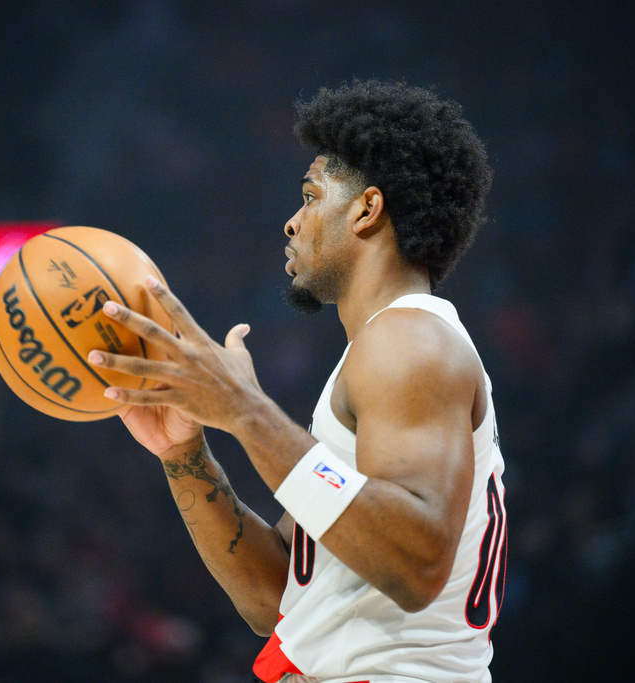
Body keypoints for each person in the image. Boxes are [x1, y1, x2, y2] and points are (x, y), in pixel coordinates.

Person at [85, 79, 507, 682]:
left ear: (367, 208)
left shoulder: (410, 342)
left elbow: (416, 562)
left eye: (310, 197)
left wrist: (244, 411)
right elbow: (273, 595)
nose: (291, 223)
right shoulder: (381, 351)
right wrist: (184, 453)